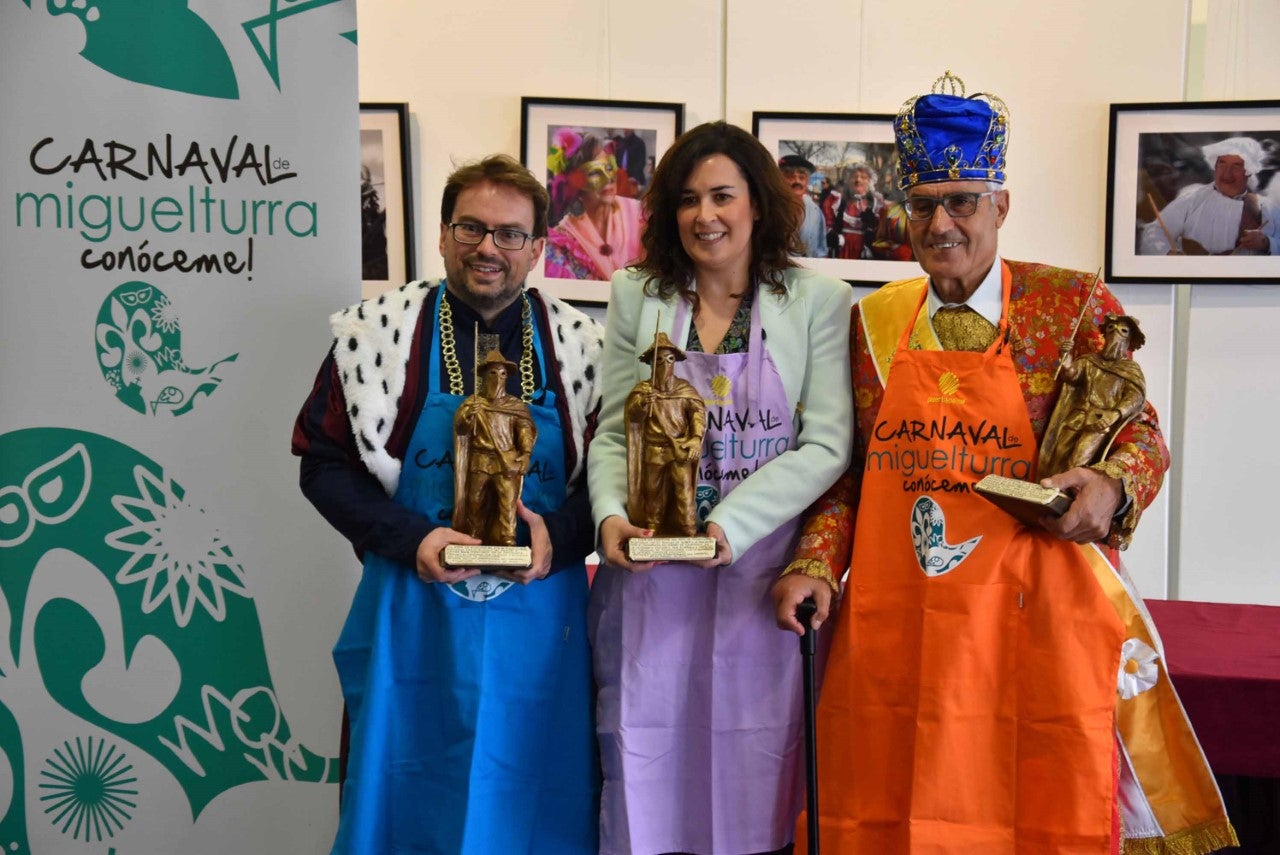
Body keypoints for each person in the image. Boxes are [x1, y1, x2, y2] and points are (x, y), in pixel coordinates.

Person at [772, 71, 1236, 854]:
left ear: (1001, 205)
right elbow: (847, 471)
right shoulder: (874, 321)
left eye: (962, 201)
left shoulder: (1074, 304)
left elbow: (1143, 435)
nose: (941, 222)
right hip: (901, 629)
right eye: (923, 204)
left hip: (1039, 621)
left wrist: (1109, 485)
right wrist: (815, 563)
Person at [292, 154, 603, 853]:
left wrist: (560, 532)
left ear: (539, 247)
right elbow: (322, 465)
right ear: (441, 234)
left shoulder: (585, 348)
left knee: (540, 809)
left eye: (509, 233)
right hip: (412, 625)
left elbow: (611, 487)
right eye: (471, 226)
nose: (488, 247)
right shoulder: (374, 340)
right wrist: (411, 538)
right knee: (400, 808)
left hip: (544, 635)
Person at [588, 120, 853, 855]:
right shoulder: (637, 294)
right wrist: (611, 517)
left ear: (758, 205)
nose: (705, 214)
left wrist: (726, 525)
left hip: (757, 579)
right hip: (648, 584)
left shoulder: (817, 300)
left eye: (723, 196)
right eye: (687, 198)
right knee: (648, 776)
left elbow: (828, 443)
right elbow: (614, 431)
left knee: (757, 789)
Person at [1038, 314, 1148, 479]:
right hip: (1077, 416)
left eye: (1123, 331)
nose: (1115, 333)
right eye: (1111, 328)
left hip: (1100, 420)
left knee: (1079, 459)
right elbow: (1073, 377)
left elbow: (1135, 397)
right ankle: (1050, 490)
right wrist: (1067, 364)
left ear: (1129, 340)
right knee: (1058, 454)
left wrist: (1115, 413)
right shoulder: (1090, 361)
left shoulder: (1130, 370)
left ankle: (1067, 494)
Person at [1140, 135, 1279, 255]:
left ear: (1249, 171)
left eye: (1236, 166)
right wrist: (1170, 254)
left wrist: (1266, 243)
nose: (1226, 173)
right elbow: (1154, 232)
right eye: (1222, 164)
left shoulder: (1266, 207)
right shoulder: (1194, 198)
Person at [625, 331, 706, 536]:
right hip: (654, 449)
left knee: (684, 491)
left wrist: (696, 439)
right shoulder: (643, 391)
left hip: (679, 448)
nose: (665, 365)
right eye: (659, 360)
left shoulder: (684, 389)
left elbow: (698, 413)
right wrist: (643, 404)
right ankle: (652, 530)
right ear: (651, 364)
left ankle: (688, 530)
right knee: (652, 492)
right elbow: (633, 416)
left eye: (670, 359)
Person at [452, 349, 536, 545]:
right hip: (480, 459)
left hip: (506, 461)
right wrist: (467, 416)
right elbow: (461, 429)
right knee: (474, 501)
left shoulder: (515, 406)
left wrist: (525, 454)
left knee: (507, 503)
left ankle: (508, 538)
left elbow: (525, 431)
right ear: (484, 375)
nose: (498, 377)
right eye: (493, 372)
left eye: (503, 373)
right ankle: (473, 537)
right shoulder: (473, 403)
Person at [545, 129, 645, 280]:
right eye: (594, 172)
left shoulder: (641, 215)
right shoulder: (562, 244)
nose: (608, 179)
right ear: (574, 184)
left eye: (609, 167)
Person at [828, 162, 884, 259]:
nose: (858, 180)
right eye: (854, 176)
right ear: (848, 180)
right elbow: (828, 224)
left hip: (865, 251)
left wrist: (873, 226)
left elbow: (883, 232)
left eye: (863, 177)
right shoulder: (839, 201)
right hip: (843, 250)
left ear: (870, 181)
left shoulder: (877, 204)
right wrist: (832, 236)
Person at [779, 153, 829, 257]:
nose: (797, 181)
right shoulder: (771, 208)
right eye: (790, 177)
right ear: (780, 179)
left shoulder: (815, 211)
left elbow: (821, 249)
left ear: (807, 181)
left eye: (802, 177)